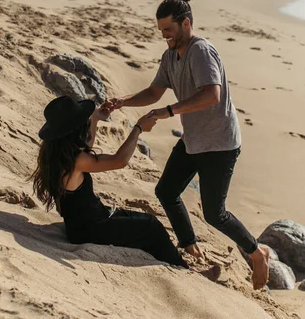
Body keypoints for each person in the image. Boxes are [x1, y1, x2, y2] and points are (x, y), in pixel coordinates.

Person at [107, 0, 270, 289]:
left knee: (215, 214)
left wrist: (168, 111)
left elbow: (211, 95)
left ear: (185, 23)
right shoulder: (170, 56)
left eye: (168, 29)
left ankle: (256, 252)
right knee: (166, 191)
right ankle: (189, 244)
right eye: (160, 30)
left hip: (219, 144)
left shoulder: (201, 51)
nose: (164, 35)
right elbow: (154, 92)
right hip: (193, 139)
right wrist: (123, 102)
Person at [31, 95, 189, 269]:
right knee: (151, 226)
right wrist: (138, 128)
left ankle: (169, 257)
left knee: (141, 221)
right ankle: (183, 267)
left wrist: (95, 119)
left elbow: (85, 146)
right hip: (90, 229)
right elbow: (119, 161)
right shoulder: (76, 161)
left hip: (84, 223)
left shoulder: (57, 154)